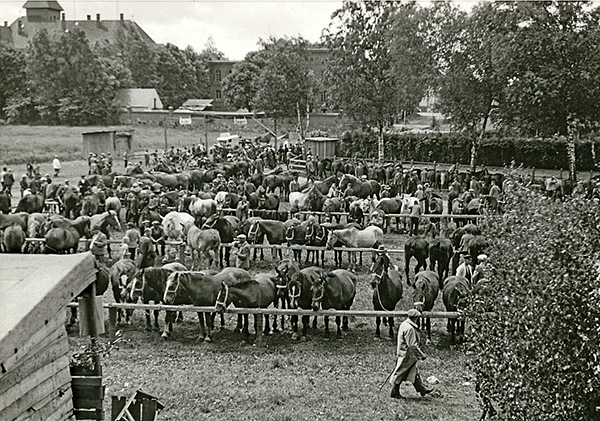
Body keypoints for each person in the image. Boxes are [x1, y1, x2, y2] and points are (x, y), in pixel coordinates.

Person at [389, 308, 435, 399]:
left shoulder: (404, 324)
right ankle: (394, 392)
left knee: (414, 371)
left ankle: (422, 390)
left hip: (404, 353)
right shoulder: (410, 328)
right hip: (407, 355)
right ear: (415, 318)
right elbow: (412, 345)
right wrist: (421, 355)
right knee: (400, 373)